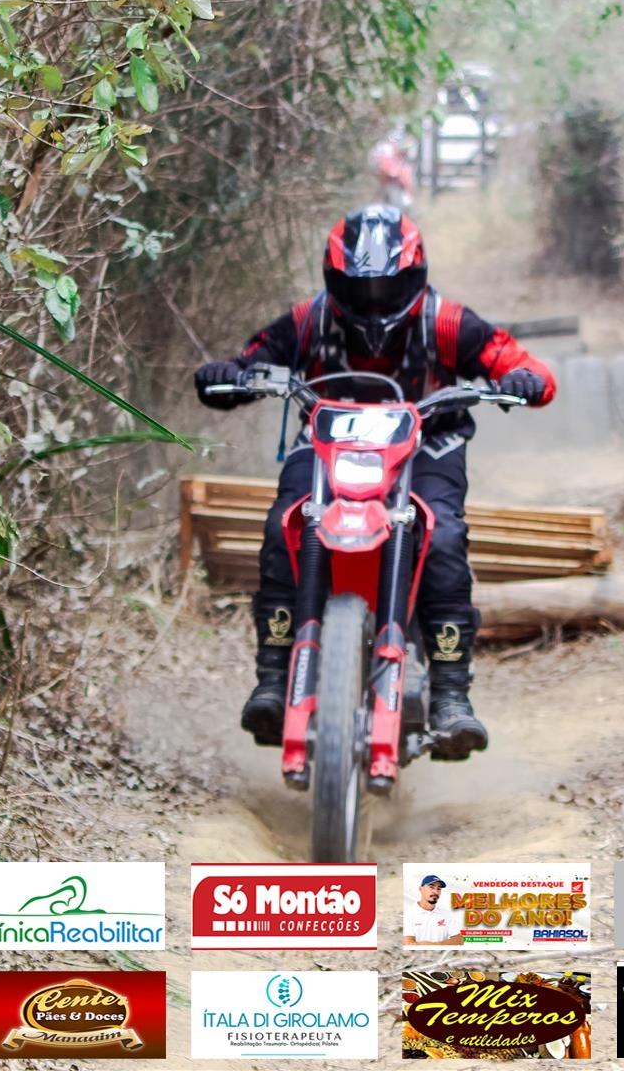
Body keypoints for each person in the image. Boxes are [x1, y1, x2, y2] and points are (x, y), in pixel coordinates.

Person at [193, 205, 556, 757]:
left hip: (427, 445)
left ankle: (450, 696)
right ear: (333, 279)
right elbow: (252, 359)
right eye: (359, 289)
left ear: (415, 276)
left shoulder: (448, 323)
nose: (374, 302)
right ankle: (273, 676)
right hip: (326, 444)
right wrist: (230, 374)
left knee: (443, 537)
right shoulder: (309, 320)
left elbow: (520, 363)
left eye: (388, 288)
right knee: (284, 527)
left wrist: (524, 380)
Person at [404, 873, 463, 946]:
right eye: (431, 887)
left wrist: (437, 945)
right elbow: (408, 943)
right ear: (421, 889)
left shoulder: (446, 914)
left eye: (439, 889)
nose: (436, 892)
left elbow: (460, 939)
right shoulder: (409, 914)